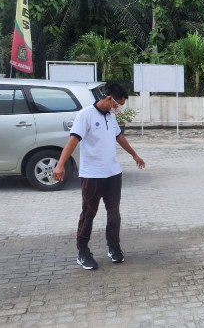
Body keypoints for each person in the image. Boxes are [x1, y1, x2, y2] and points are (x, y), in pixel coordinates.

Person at [52, 83, 145, 270]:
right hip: (92, 175)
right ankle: (83, 252)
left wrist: (134, 154)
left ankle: (114, 248)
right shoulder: (85, 115)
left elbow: (119, 137)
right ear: (109, 99)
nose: (119, 108)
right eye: (118, 104)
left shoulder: (111, 117)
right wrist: (60, 164)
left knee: (114, 214)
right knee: (88, 214)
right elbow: (73, 140)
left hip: (113, 174)